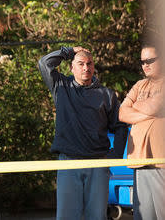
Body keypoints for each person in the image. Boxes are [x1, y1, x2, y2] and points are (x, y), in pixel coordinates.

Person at [38, 46, 128, 220]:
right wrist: (69, 50)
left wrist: (115, 155)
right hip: (68, 163)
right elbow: (44, 63)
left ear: (94, 66)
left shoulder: (106, 94)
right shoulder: (61, 86)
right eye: (80, 64)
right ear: (72, 67)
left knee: (96, 216)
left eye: (89, 64)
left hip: (98, 165)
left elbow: (120, 127)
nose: (86, 68)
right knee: (67, 216)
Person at [119, 41, 165, 220]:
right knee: (144, 216)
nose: (145, 65)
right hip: (140, 161)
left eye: (150, 60)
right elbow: (122, 113)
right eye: (143, 62)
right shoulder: (139, 85)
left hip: (161, 162)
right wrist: (151, 115)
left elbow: (156, 105)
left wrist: (136, 107)